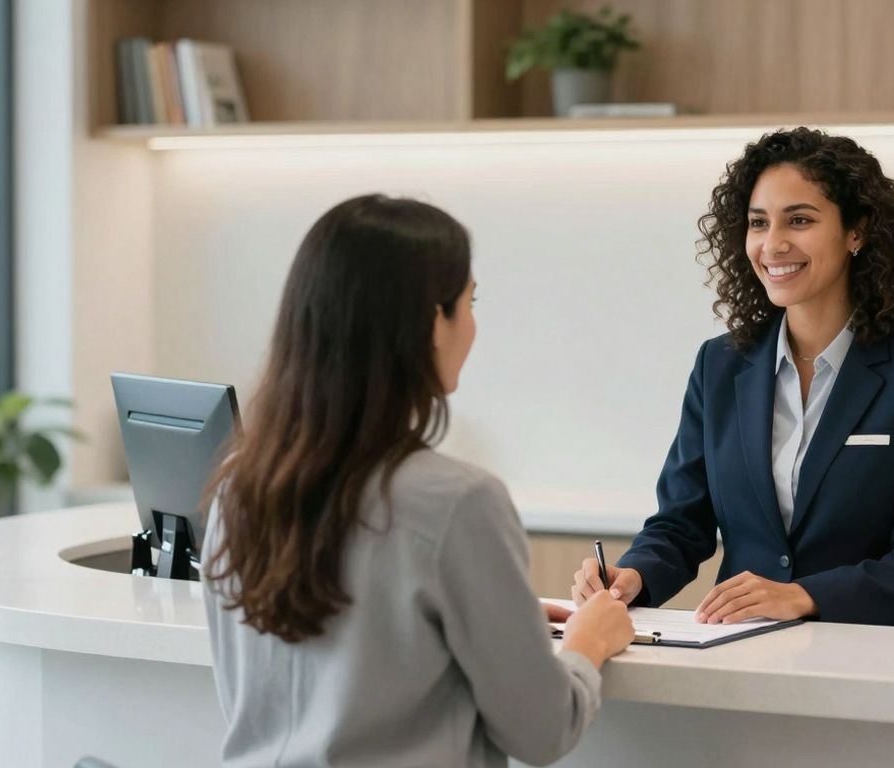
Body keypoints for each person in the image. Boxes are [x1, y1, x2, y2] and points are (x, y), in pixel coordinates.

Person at [203, 194, 634, 767]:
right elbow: (543, 732)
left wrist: (498, 619)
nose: (473, 325)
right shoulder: (459, 502)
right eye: (469, 302)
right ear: (434, 322)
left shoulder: (239, 491)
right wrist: (590, 640)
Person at [573, 127, 894, 628]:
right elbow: (681, 525)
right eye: (758, 223)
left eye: (799, 220)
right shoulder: (719, 365)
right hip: (740, 654)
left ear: (857, 231)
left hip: (871, 657)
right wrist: (633, 576)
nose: (773, 244)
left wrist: (804, 595)